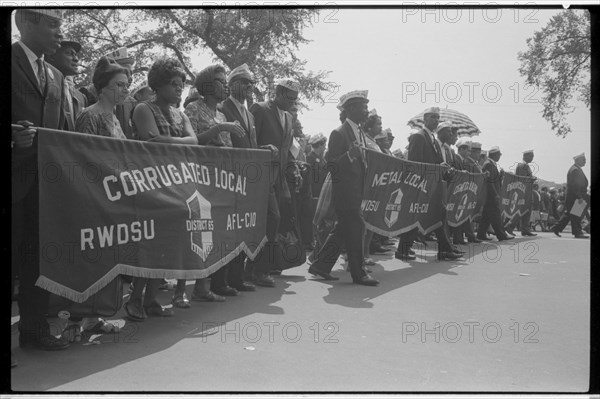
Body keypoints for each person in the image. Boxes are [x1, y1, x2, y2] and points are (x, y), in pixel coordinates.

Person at [12, 9, 70, 354]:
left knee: (37, 258)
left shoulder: (55, 76)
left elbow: (62, 133)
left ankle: (33, 331)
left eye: (61, 24)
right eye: (52, 23)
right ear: (24, 23)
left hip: (44, 185)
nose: (60, 32)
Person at [125, 57, 198, 319]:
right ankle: (134, 299)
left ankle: (152, 300)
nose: (179, 88)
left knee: (170, 242)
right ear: (158, 85)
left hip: (178, 186)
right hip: (151, 184)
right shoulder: (143, 108)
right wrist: (179, 141)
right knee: (150, 245)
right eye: (173, 83)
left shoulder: (181, 113)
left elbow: (194, 141)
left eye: (181, 84)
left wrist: (167, 139)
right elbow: (151, 144)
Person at [184, 63, 253, 296]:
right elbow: (192, 142)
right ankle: (198, 287)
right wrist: (218, 129)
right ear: (206, 85)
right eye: (221, 82)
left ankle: (218, 282)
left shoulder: (222, 113)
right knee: (203, 233)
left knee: (222, 230)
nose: (225, 86)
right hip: (201, 178)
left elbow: (228, 147)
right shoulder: (193, 108)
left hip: (223, 180)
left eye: (225, 82)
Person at [307, 90, 379, 286]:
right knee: (356, 229)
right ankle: (359, 273)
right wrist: (349, 155)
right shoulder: (338, 133)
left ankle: (320, 265)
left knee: (342, 230)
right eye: (363, 107)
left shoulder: (360, 132)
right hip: (345, 192)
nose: (366, 111)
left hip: (357, 190)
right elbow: (330, 165)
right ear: (351, 109)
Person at [247, 78, 299, 286]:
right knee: (270, 220)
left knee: (271, 224)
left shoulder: (289, 117)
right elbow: (250, 142)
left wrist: (292, 170)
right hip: (257, 177)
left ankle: (254, 269)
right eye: (289, 98)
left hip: (277, 180)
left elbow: (287, 150)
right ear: (277, 92)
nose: (292, 102)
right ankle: (260, 270)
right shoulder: (259, 109)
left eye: (295, 99)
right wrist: (263, 148)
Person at [395, 109, 462, 261]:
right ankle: (441, 250)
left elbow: (435, 162)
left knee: (435, 215)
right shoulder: (418, 137)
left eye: (438, 118)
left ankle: (441, 249)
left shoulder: (432, 139)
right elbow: (415, 163)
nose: (436, 120)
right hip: (421, 184)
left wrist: (443, 167)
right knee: (419, 216)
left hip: (433, 185)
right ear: (425, 119)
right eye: (432, 117)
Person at [74, 57, 128, 138]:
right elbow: (83, 149)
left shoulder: (114, 117)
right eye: (120, 85)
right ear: (103, 86)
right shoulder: (90, 116)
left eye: (127, 85)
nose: (126, 91)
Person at [46, 39, 87, 131]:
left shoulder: (81, 97)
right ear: (52, 56)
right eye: (69, 53)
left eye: (76, 54)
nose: (76, 59)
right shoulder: (41, 86)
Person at [477, 146, 512, 242]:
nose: (499, 156)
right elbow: (490, 182)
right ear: (495, 155)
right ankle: (501, 234)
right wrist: (495, 194)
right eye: (499, 155)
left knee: (486, 216)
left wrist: (500, 175)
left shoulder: (490, 164)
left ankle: (481, 233)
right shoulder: (489, 165)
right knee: (496, 215)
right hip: (490, 195)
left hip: (489, 194)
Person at [552, 153, 589, 239]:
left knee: (569, 214)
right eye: (583, 160)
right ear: (577, 160)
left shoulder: (576, 169)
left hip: (574, 196)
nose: (585, 162)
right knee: (576, 214)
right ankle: (578, 232)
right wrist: (579, 197)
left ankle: (556, 228)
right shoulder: (575, 170)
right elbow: (575, 186)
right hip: (576, 197)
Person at [104, 47, 137, 139]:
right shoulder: (90, 95)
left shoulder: (132, 102)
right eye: (125, 72)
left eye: (131, 73)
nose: (130, 77)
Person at [506, 150, 537, 236]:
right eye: (531, 156)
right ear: (526, 156)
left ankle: (525, 229)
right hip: (524, 192)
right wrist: (531, 179)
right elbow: (522, 179)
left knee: (527, 210)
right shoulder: (523, 165)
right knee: (521, 210)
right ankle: (510, 226)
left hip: (527, 191)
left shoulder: (525, 165)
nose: (532, 158)